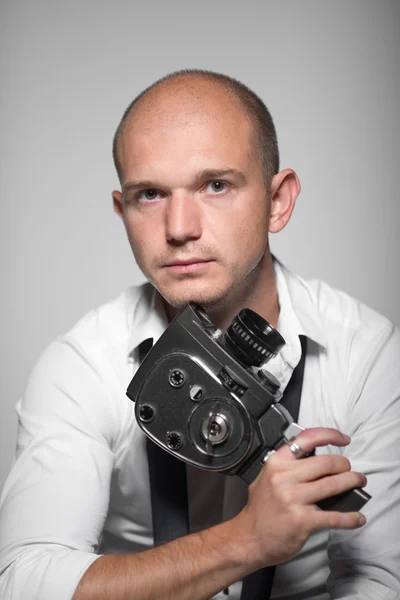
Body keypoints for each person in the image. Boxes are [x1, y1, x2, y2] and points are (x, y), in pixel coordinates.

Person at [0, 69, 399, 600]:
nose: (180, 226)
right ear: (122, 213)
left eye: (216, 185)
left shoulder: (367, 354)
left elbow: (379, 583)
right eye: (150, 194)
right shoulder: (82, 364)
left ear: (278, 201)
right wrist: (246, 541)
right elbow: (25, 581)